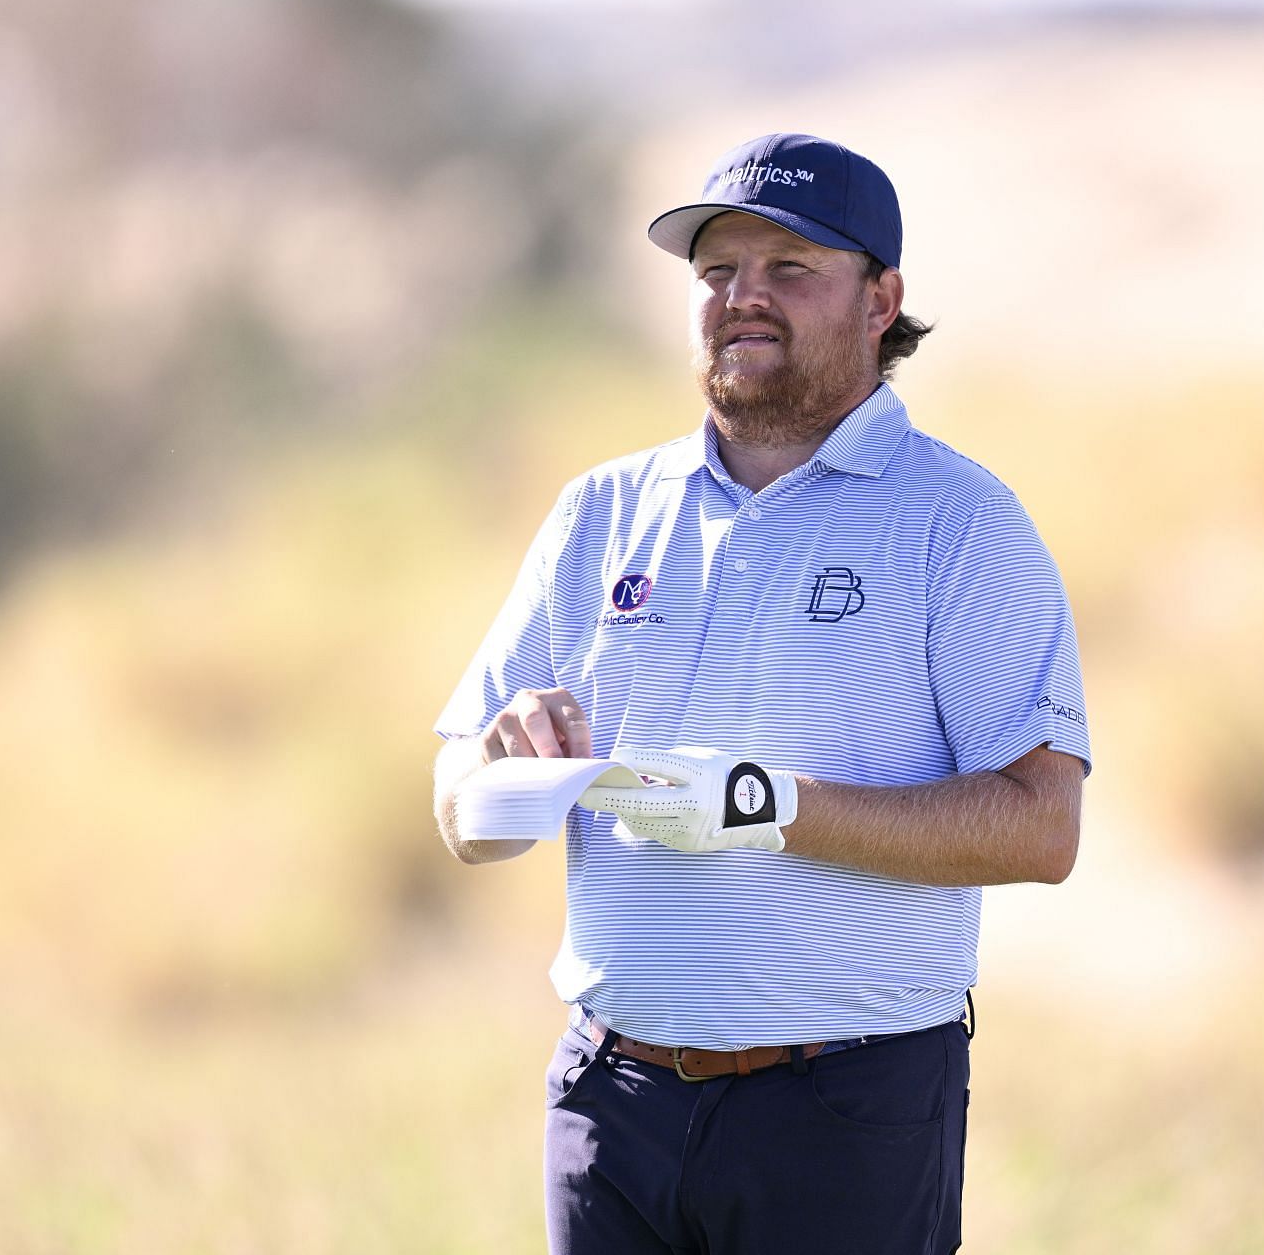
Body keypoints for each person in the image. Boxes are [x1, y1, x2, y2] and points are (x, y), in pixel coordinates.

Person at [432, 132, 1091, 1255]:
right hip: (610, 1098)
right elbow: (459, 803)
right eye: (718, 272)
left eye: (790, 268)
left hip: (843, 1110)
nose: (743, 297)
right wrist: (498, 779)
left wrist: (773, 807)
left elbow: (1041, 826)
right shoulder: (600, 511)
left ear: (882, 299)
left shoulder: (960, 521)